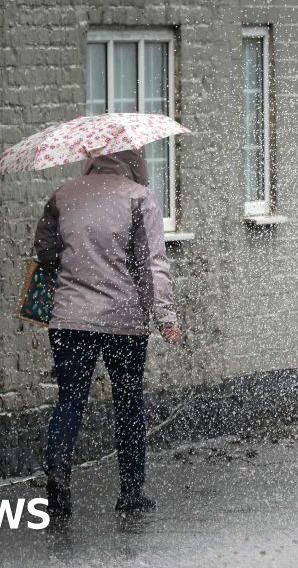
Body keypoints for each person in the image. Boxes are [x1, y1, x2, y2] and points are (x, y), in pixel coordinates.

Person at [34, 148, 182, 518]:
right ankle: (131, 492)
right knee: (128, 403)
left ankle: (58, 484)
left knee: (70, 401)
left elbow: (46, 251)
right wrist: (165, 316)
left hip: (70, 318)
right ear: (135, 163)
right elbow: (152, 264)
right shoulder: (137, 197)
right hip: (123, 321)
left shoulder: (63, 194)